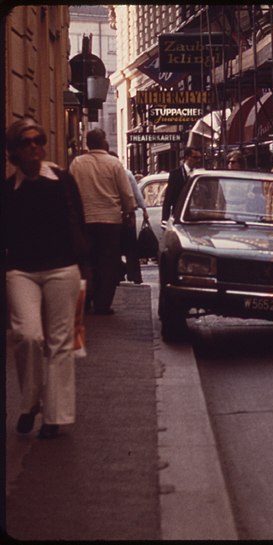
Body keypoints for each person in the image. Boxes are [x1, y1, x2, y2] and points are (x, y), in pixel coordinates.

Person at [3, 117, 88, 439]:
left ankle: (55, 416)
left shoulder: (62, 180)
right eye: (27, 142)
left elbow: (78, 221)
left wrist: (84, 266)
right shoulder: (9, 191)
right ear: (14, 151)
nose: (35, 146)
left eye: (39, 139)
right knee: (28, 336)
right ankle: (30, 404)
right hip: (21, 271)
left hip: (62, 269)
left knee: (60, 344)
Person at [69, 128, 135, 314]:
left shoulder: (77, 164)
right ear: (104, 141)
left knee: (85, 261)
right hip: (110, 221)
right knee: (107, 263)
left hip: (85, 220)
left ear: (88, 144)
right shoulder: (114, 164)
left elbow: (71, 191)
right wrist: (129, 212)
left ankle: (85, 299)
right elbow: (126, 193)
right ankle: (103, 304)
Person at [109, 150, 147, 283]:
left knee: (116, 248)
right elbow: (135, 194)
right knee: (131, 248)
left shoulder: (108, 175)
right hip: (127, 214)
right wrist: (143, 209)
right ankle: (134, 275)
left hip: (114, 215)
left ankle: (119, 273)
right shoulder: (126, 173)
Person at [162, 146, 202, 222]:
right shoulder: (175, 174)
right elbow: (168, 198)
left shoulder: (200, 174)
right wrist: (164, 219)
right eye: (195, 158)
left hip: (198, 216)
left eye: (199, 158)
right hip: (180, 216)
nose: (198, 160)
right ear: (187, 157)